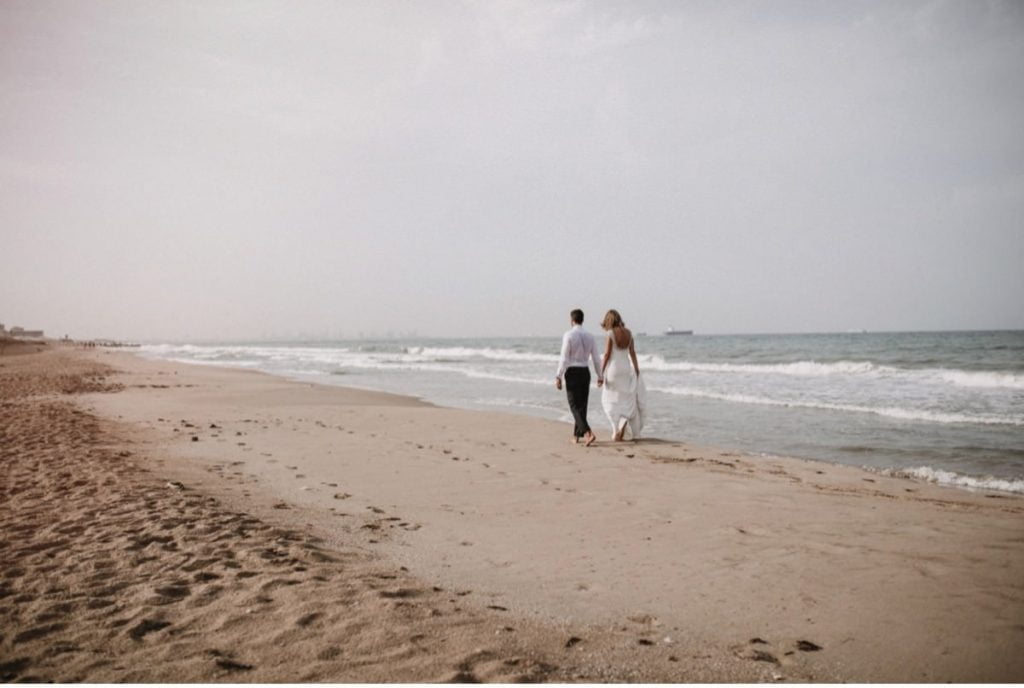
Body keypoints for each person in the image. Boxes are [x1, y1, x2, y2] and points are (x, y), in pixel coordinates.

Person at [555, 309, 603, 446]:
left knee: (573, 404)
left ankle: (588, 433)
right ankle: (576, 436)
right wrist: (600, 375)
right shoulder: (590, 336)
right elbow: (596, 358)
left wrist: (558, 375)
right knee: (582, 405)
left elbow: (564, 357)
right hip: (585, 372)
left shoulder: (569, 335)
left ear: (572, 320)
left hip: (572, 371)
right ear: (582, 320)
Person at [600, 309, 645, 441]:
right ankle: (624, 421)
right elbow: (633, 353)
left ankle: (615, 430)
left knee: (609, 400)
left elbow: (607, 355)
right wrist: (636, 369)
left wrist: (600, 373)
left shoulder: (610, 334)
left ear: (608, 321)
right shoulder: (629, 333)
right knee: (625, 398)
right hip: (626, 369)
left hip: (613, 370)